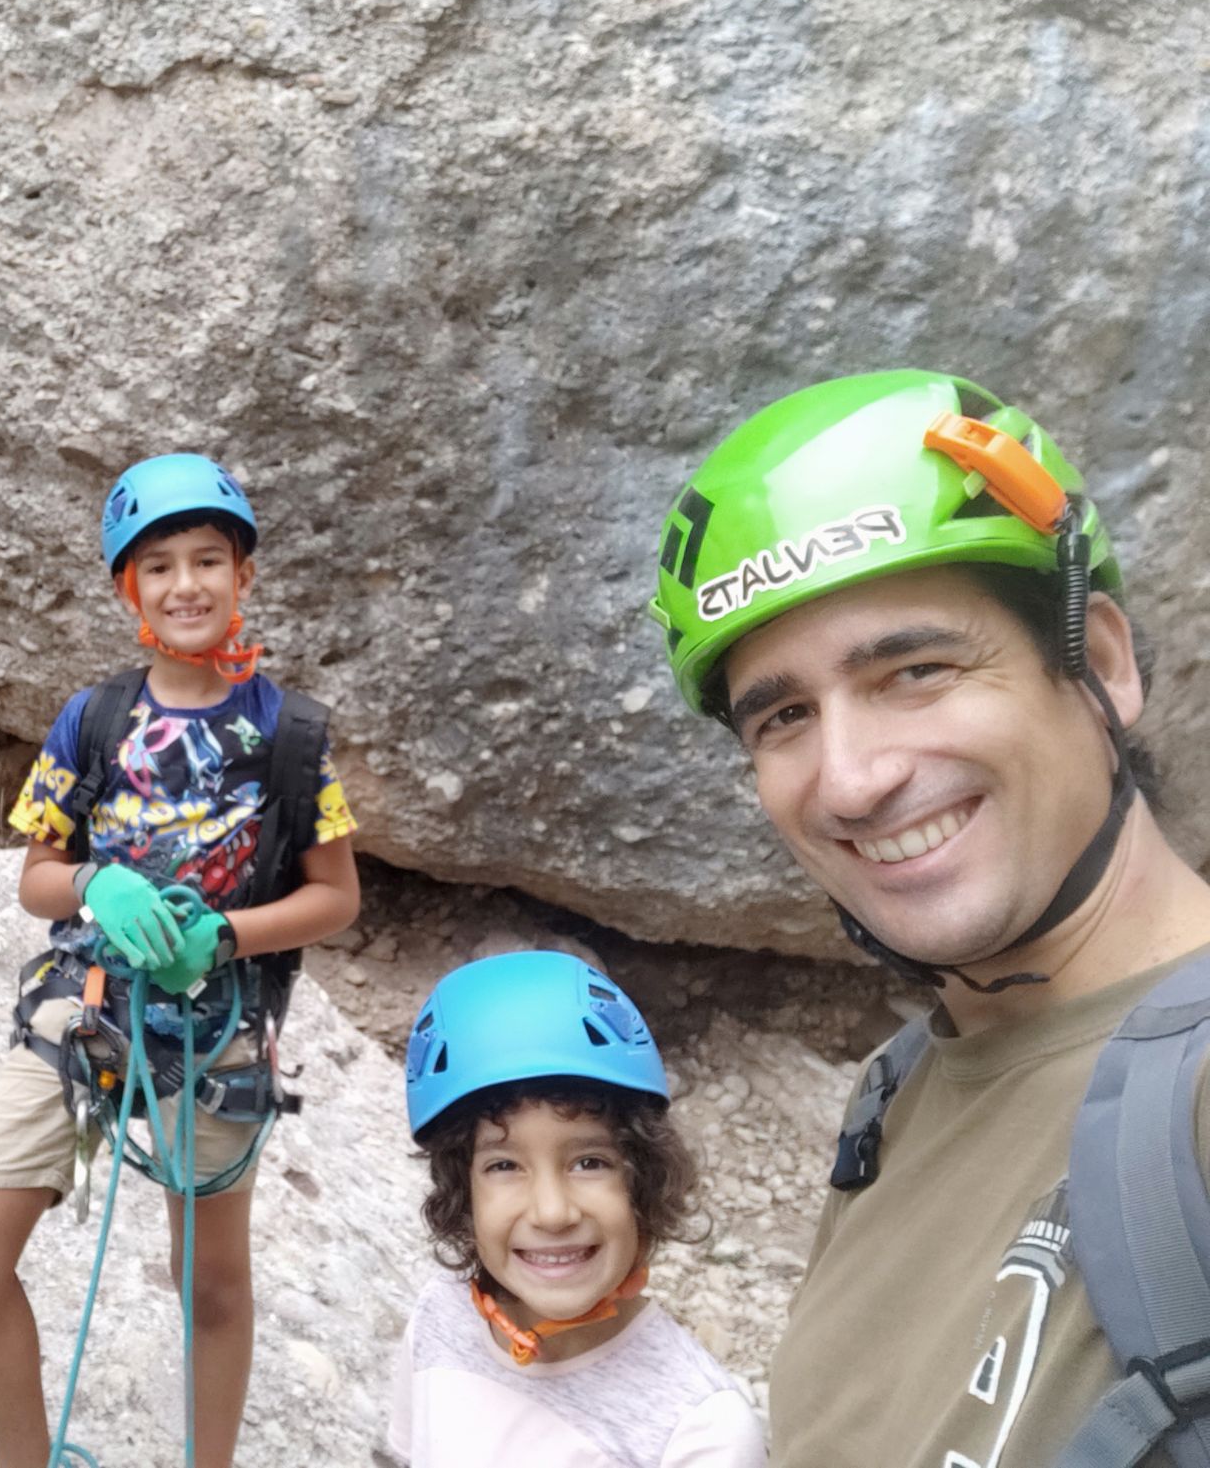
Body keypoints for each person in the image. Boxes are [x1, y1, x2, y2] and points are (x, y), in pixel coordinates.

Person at [647, 369, 1210, 1464]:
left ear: (1098, 664)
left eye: (915, 669)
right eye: (784, 717)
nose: (851, 780)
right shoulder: (896, 1089)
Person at [0, 451, 362, 1468]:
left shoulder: (290, 737)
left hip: (217, 1018)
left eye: (207, 560)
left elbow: (336, 898)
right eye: (158, 566)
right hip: (84, 998)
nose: (185, 585)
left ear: (242, 575)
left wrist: (224, 935)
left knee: (210, 1283)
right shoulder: (95, 719)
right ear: (130, 588)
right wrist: (95, 885)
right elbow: (36, 878)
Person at [388, 950, 764, 1467]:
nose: (552, 1212)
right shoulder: (439, 1320)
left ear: (642, 1180)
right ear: (462, 1192)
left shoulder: (700, 1431)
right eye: (503, 1165)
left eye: (589, 1163)